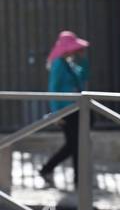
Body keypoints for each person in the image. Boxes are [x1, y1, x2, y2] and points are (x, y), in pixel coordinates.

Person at [37, 30, 89, 188]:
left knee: (76, 144)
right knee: (74, 145)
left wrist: (83, 59)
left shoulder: (69, 63)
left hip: (76, 108)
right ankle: (49, 169)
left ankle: (76, 179)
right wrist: (56, 113)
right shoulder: (59, 64)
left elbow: (83, 77)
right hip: (66, 111)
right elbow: (53, 89)